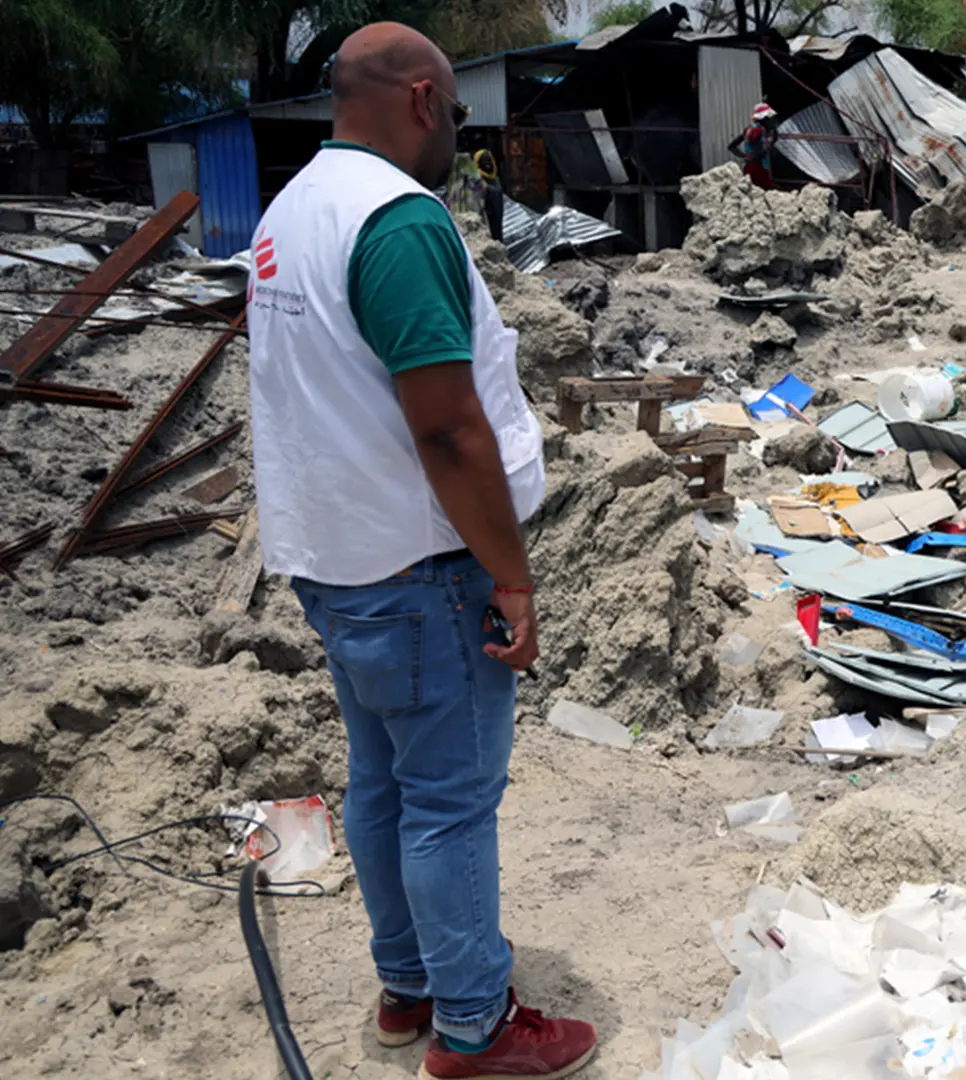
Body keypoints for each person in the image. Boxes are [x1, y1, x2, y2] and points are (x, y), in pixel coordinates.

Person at [245, 22, 596, 1080]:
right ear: (418, 97)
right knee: (447, 805)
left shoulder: (291, 209)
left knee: (383, 785)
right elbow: (446, 427)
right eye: (453, 112)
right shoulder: (395, 221)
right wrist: (513, 574)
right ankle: (474, 1031)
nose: (456, 132)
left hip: (337, 561)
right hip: (418, 571)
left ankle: (407, 987)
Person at [729, 103, 778, 189]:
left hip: (750, 168)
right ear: (764, 119)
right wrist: (772, 142)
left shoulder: (750, 128)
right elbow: (758, 155)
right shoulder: (757, 131)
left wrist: (745, 156)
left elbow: (732, 146)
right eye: (770, 119)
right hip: (758, 170)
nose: (771, 121)